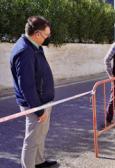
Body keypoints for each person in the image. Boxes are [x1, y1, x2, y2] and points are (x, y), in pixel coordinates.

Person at [10, 16, 57, 168]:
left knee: (40, 135)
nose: (47, 38)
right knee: (31, 140)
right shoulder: (25, 51)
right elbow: (27, 85)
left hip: (42, 100)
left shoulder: (33, 46)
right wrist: (38, 110)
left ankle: (39, 162)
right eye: (46, 35)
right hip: (36, 105)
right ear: (37, 34)